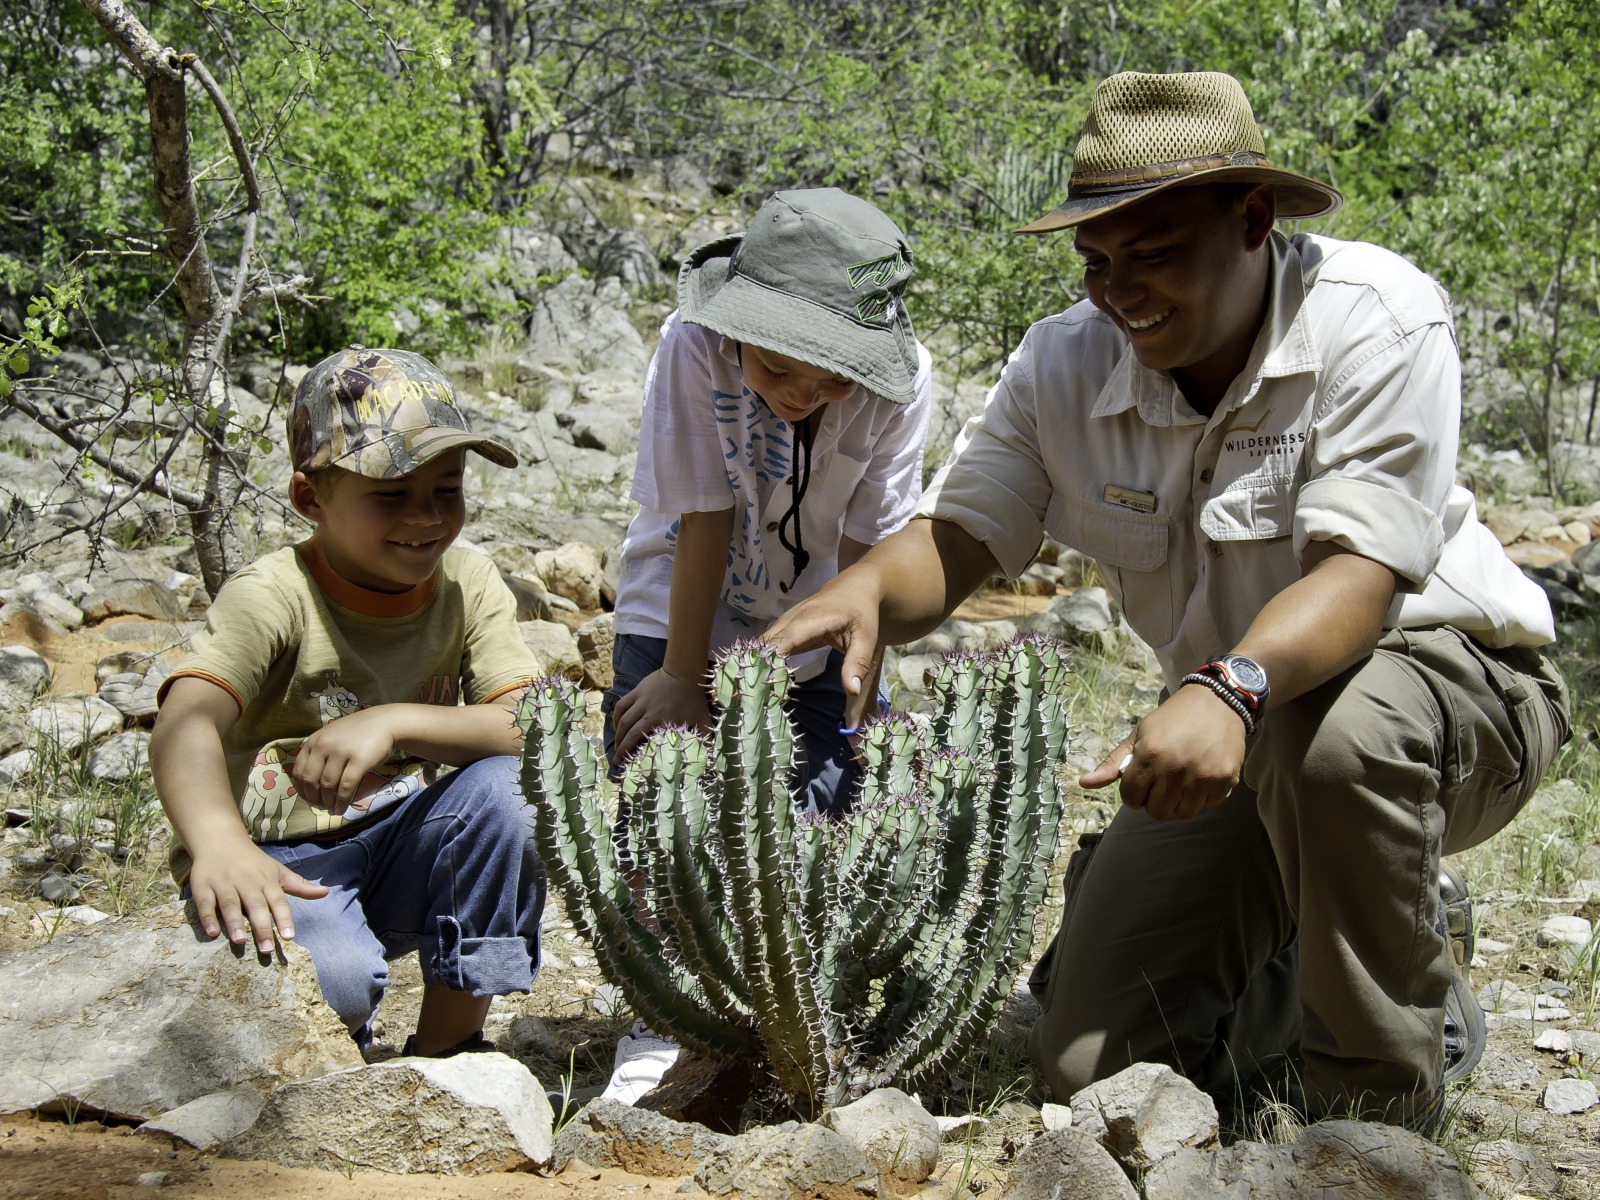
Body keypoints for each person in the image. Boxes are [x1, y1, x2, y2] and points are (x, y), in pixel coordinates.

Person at [768, 71, 1569, 1129]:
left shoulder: (1374, 315)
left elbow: (1357, 580)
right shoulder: (1062, 362)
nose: (1118, 290)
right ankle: (1353, 931)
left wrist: (1229, 686)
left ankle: (1372, 1120)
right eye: (1095, 261)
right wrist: (872, 586)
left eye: (1150, 253)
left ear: (1251, 219)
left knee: (1331, 745)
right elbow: (963, 537)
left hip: (1448, 693)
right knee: (1095, 1061)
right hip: (1237, 723)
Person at [600, 186, 933, 1100]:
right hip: (680, 605)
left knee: (828, 799)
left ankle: (785, 1005)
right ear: (740, 323)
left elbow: (873, 558)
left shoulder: (898, 385)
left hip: (822, 617)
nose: (807, 394)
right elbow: (700, 516)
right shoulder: (692, 343)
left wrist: (856, 689)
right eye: (787, 369)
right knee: (663, 793)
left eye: (833, 377)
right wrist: (680, 676)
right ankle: (659, 1009)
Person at [151, 346, 546, 1059]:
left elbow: (533, 726)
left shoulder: (467, 580)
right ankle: (338, 1052)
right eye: (390, 496)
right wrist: (219, 844)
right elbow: (185, 720)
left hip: (409, 843)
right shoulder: (273, 593)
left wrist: (393, 719)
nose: (424, 518)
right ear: (311, 500)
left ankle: (446, 1057)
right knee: (334, 985)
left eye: (447, 490)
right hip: (275, 864)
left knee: (513, 793)